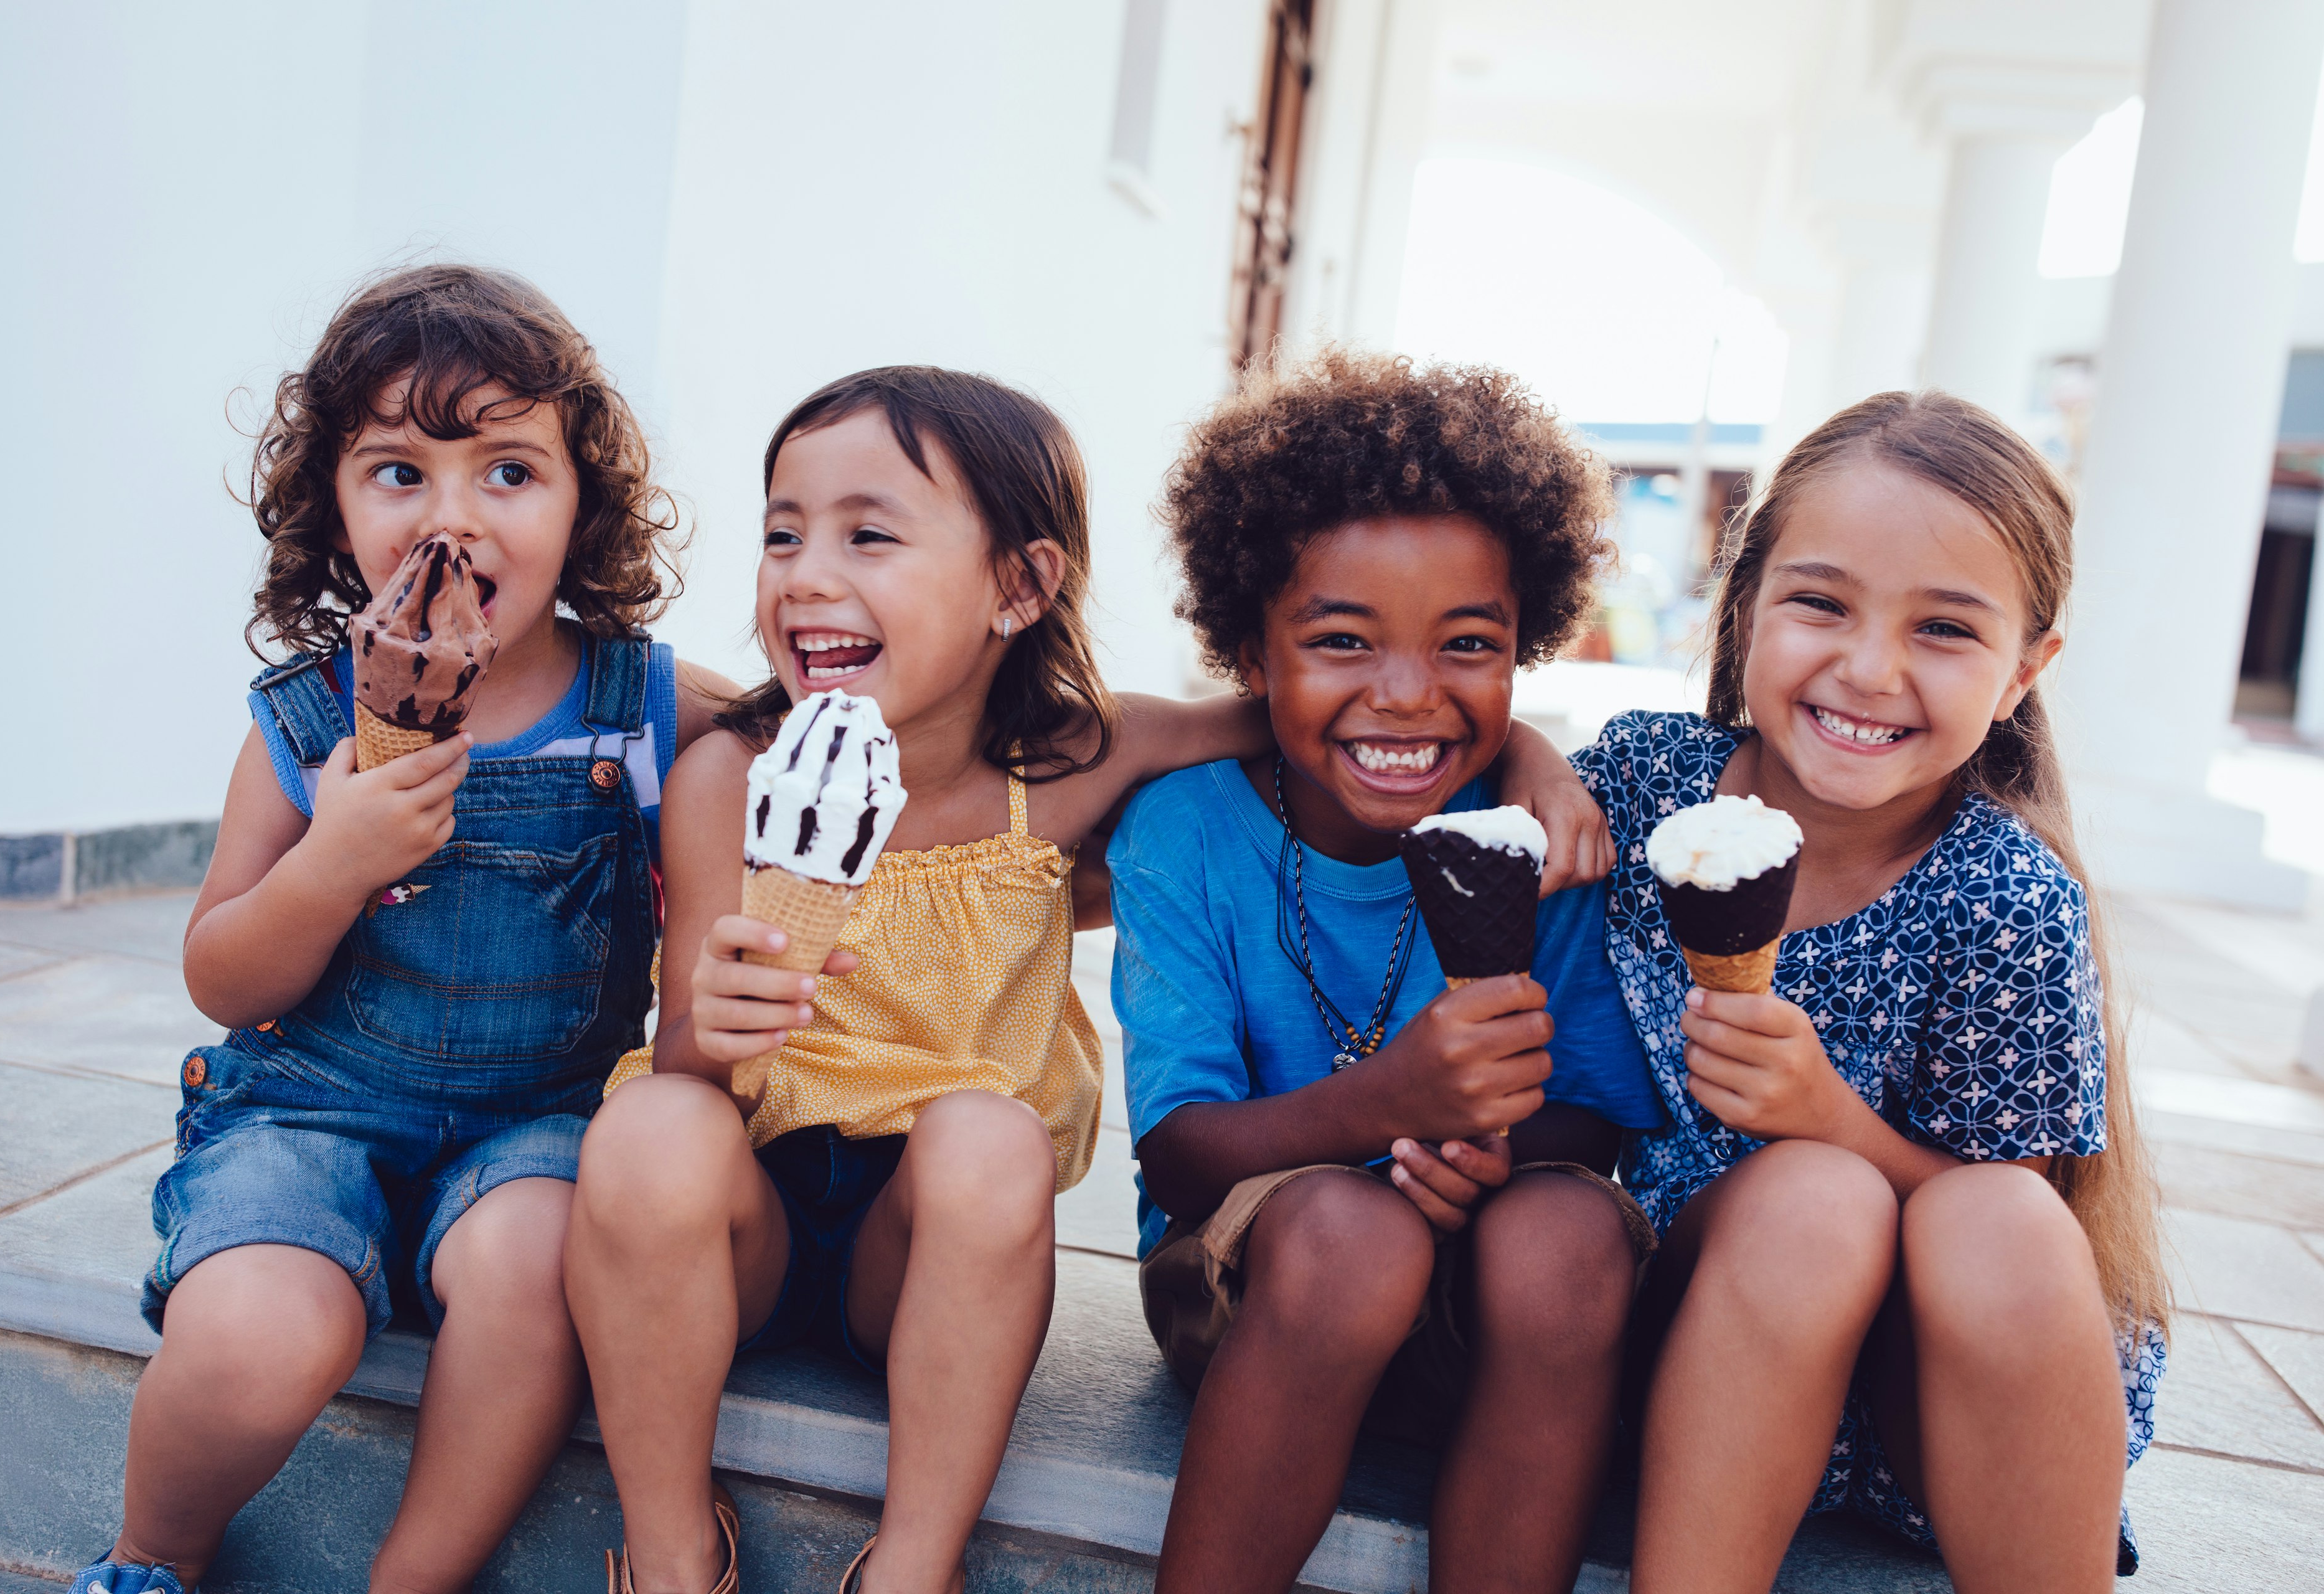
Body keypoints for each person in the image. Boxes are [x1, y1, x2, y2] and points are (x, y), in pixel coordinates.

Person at [567, 364, 1606, 1594]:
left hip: (928, 1246)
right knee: (649, 1122)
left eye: (868, 534)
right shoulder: (729, 779)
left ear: (1021, 585)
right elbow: (690, 1049)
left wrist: (1532, 750)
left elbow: (1307, 705)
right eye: (782, 533)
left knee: (993, 1140)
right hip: (741, 1225)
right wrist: (708, 1032)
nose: (806, 570)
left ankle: (912, 1564)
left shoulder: (1071, 763)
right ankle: (671, 1544)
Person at [75, 265, 733, 1594]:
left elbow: (821, 732)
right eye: (397, 471)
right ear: (333, 504)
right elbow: (222, 972)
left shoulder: (644, 705)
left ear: (580, 500)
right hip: (304, 1115)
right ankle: (153, 1555)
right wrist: (334, 861)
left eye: (507, 471)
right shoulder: (306, 717)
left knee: (542, 1253)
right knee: (262, 1328)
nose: (453, 515)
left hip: (533, 1130)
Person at [1578, 391, 2169, 1592]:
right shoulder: (1645, 785)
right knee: (1809, 1205)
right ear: (1743, 609)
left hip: (1921, 1405)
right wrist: (1535, 766)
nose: (1869, 668)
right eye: (1821, 602)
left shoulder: (2005, 897)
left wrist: (1832, 1122)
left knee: (1980, 1212)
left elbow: (2027, 1232)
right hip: (1678, 1337)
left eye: (1945, 630)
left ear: (2023, 673)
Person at [1113, 349, 1670, 1594]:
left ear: (1527, 647)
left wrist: (1486, 1156)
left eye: (1468, 642)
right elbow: (1178, 1153)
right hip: (1260, 1286)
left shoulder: (1551, 842)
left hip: (1480, 1301)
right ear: (1252, 652)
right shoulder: (1187, 832)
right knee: (1351, 1234)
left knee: (1579, 1230)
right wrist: (1384, 1109)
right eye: (1344, 639)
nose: (1409, 694)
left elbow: (1590, 1115)